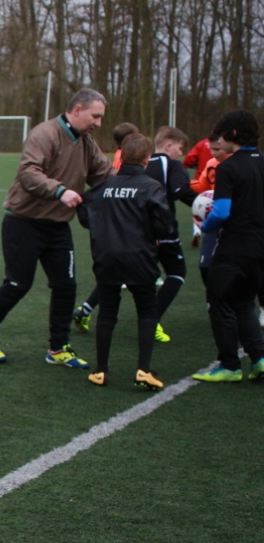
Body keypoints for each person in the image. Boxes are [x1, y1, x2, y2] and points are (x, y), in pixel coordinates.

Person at [0, 88, 112, 367]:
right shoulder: (44, 134)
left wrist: (134, 185)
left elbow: (104, 174)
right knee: (17, 284)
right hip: (23, 222)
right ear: (77, 110)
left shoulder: (86, 142)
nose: (98, 123)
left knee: (66, 286)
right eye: (95, 116)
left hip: (57, 226)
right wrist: (61, 191)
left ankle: (58, 348)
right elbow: (28, 172)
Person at [73, 125, 196, 342]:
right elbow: (181, 191)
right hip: (161, 231)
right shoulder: (171, 165)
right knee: (176, 273)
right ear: (169, 145)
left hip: (130, 234)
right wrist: (205, 204)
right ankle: (153, 321)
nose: (180, 153)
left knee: (119, 274)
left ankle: (86, 308)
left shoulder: (135, 163)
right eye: (180, 148)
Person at [76, 133, 172, 390]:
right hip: (140, 258)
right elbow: (165, 227)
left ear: (121, 156)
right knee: (147, 311)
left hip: (106, 258)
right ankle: (143, 370)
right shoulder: (151, 187)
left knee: (107, 312)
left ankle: (100, 371)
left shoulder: (102, 188)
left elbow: (84, 216)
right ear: (147, 159)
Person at [191, 110, 264, 382]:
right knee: (244, 303)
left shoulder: (228, 168)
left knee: (219, 301)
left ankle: (229, 365)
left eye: (222, 135)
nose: (218, 140)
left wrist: (204, 226)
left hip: (234, 246)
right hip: (260, 248)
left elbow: (221, 211)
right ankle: (260, 360)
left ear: (233, 134)